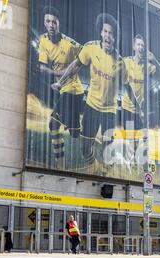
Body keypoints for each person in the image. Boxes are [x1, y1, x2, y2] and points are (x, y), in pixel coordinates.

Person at [52, 13, 127, 169]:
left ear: (114, 38)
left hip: (109, 111)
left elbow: (128, 86)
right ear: (101, 32)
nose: (107, 36)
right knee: (85, 149)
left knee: (108, 153)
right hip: (91, 106)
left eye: (111, 33)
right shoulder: (91, 47)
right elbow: (75, 66)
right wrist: (60, 82)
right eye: (105, 31)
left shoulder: (120, 62)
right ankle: (94, 166)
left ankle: (106, 174)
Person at [38, 6, 85, 170]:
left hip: (73, 90)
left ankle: (63, 164)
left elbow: (85, 58)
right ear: (45, 23)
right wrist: (61, 72)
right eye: (48, 21)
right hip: (61, 90)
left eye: (54, 22)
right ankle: (61, 164)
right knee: (70, 132)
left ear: (59, 23)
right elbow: (42, 67)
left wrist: (63, 73)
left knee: (54, 125)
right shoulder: (43, 40)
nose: (51, 25)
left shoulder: (70, 43)